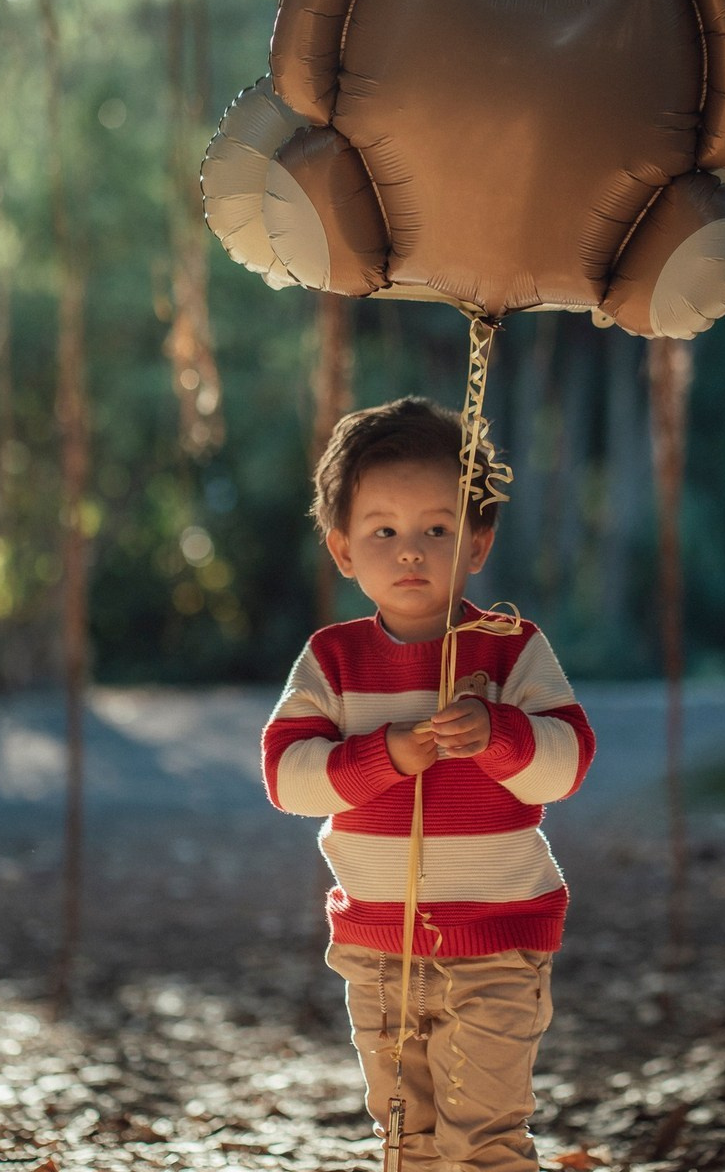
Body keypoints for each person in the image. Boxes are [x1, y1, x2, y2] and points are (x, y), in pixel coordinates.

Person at [261, 396, 596, 1172]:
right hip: (376, 949)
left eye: (436, 530)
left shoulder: (510, 648)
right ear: (343, 549)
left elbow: (568, 761)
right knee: (405, 1137)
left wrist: (498, 736)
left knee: (483, 1139)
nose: (410, 550)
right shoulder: (334, 660)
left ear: (477, 542)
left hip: (498, 940)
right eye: (384, 531)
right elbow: (288, 777)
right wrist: (382, 757)